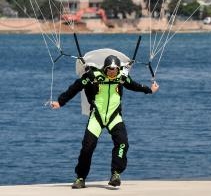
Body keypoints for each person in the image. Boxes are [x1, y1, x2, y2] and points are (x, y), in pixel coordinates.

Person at [50, 54, 159, 189]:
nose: (112, 72)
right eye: (110, 69)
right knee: (87, 148)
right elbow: (75, 87)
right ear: (105, 68)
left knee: (122, 144)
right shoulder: (92, 77)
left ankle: (115, 174)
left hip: (114, 117)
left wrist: (150, 90)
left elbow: (135, 86)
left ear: (118, 69)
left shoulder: (122, 78)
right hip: (97, 116)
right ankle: (80, 178)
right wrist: (60, 102)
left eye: (115, 69)